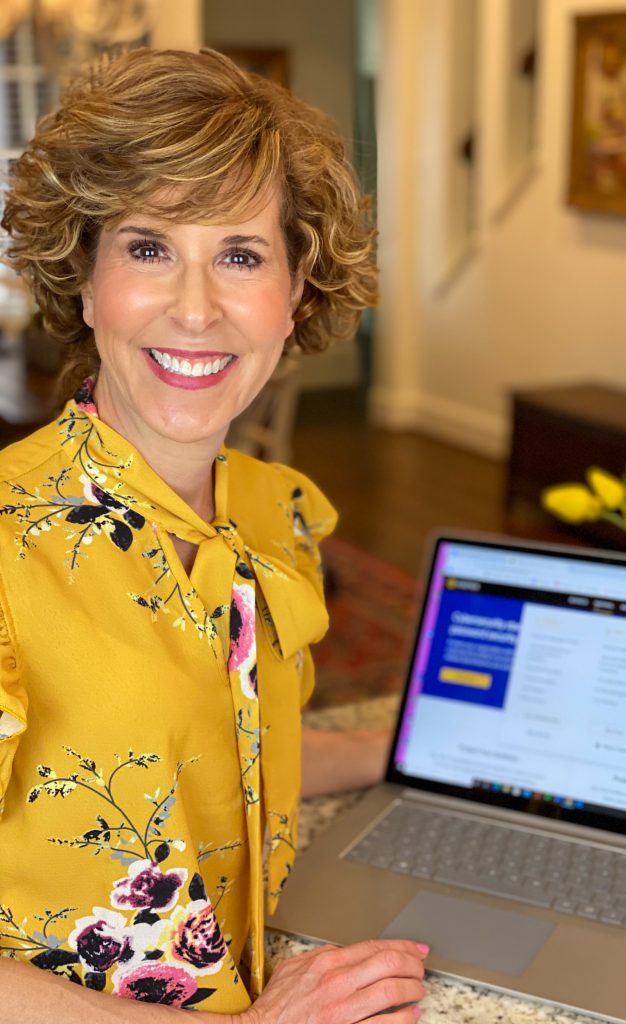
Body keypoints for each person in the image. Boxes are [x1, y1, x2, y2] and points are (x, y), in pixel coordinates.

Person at [0, 48, 426, 1022]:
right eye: (149, 247)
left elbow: (200, 756)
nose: (196, 308)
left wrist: (382, 748)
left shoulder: (273, 514)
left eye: (240, 254)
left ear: (295, 291)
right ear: (87, 277)